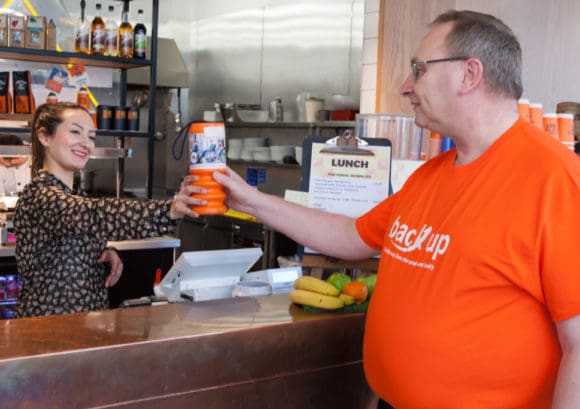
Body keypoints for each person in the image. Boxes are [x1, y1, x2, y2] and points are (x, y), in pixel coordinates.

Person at [212, 9, 580, 409]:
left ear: (469, 75)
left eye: (418, 70)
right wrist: (252, 201)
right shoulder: (432, 175)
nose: (406, 87)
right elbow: (353, 237)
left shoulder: (555, 180)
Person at [14, 102, 204, 318]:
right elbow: (95, 214)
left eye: (91, 136)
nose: (87, 144)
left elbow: (75, 233)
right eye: (76, 131)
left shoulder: (74, 196)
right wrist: (167, 210)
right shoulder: (39, 195)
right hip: (48, 331)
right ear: (44, 137)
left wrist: (101, 250)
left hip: (84, 328)